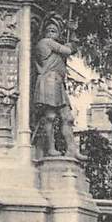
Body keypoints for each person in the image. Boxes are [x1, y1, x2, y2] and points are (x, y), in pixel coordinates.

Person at [33, 14, 79, 158]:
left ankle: (72, 149)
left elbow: (72, 49)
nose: (51, 33)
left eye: (54, 31)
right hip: (50, 81)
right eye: (49, 30)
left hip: (58, 83)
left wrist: (72, 33)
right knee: (50, 116)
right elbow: (68, 50)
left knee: (67, 117)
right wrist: (71, 35)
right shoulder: (46, 42)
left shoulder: (53, 44)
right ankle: (50, 148)